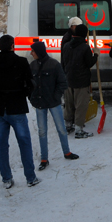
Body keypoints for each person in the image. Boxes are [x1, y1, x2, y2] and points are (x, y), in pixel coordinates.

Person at [0, 35, 39, 189]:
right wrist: (23, 93)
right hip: (17, 107)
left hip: (0, 109)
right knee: (24, 142)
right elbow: (31, 84)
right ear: (13, 46)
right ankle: (30, 178)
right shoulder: (21, 62)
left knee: (2, 144)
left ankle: (6, 178)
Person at [29, 41, 79, 171]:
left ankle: (67, 152)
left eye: (33, 51)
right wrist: (32, 97)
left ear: (39, 52)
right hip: (40, 104)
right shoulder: (32, 65)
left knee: (61, 129)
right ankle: (44, 159)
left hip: (53, 103)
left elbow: (63, 83)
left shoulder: (54, 65)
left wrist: (55, 97)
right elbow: (29, 85)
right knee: (42, 132)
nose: (31, 53)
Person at [61, 24, 99, 139]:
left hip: (69, 79)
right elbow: (89, 63)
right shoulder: (84, 47)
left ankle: (68, 125)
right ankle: (78, 129)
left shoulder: (66, 46)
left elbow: (63, 62)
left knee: (69, 104)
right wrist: (96, 54)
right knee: (80, 105)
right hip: (81, 81)